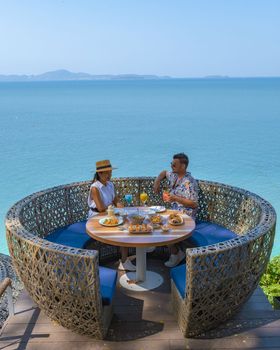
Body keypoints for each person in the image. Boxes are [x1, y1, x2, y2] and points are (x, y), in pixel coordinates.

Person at [88, 159, 136, 271]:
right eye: (107, 172)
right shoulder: (95, 188)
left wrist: (121, 206)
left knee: (129, 223)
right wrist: (116, 210)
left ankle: (134, 253)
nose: (110, 175)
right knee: (123, 231)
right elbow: (100, 209)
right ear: (100, 173)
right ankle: (124, 261)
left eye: (110, 172)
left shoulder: (110, 185)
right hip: (97, 217)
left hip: (109, 215)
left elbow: (115, 200)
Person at [154, 153, 198, 267]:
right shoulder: (174, 175)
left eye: (174, 165)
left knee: (165, 229)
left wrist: (175, 198)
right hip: (173, 212)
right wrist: (157, 181)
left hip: (186, 215)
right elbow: (163, 172)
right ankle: (150, 245)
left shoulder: (190, 182)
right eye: (171, 164)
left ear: (183, 166)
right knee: (154, 219)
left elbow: (194, 204)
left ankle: (176, 254)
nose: (171, 166)